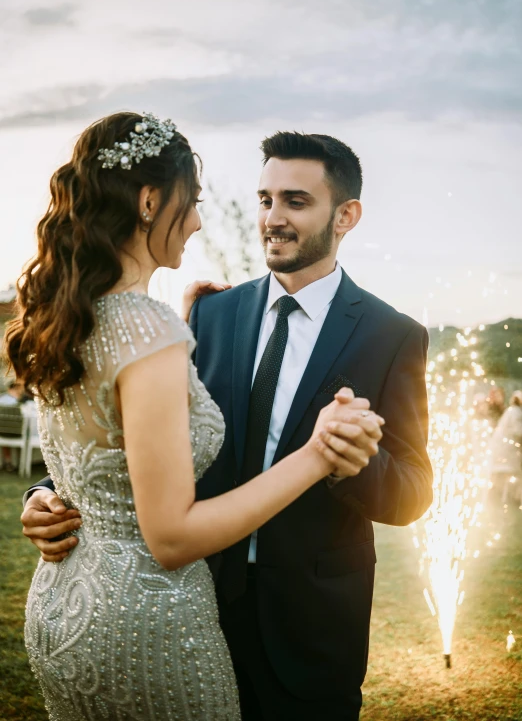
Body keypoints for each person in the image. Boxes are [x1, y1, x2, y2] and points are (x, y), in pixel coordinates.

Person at [23, 130, 432, 719]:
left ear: (346, 216)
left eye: (295, 201)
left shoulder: (392, 337)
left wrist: (353, 460)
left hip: (311, 632)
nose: (272, 218)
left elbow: (414, 491)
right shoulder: (211, 312)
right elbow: (125, 436)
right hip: (186, 615)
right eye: (265, 199)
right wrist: (47, 493)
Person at [488, 390, 522, 505]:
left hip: (502, 453)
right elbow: (519, 431)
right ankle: (505, 501)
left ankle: (502, 500)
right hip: (506, 453)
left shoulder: (511, 411)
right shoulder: (516, 412)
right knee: (508, 480)